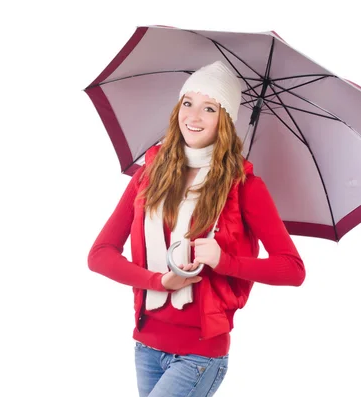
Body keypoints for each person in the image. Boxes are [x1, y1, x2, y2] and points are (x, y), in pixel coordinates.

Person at [88, 61, 305, 397]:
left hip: (199, 355)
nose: (194, 117)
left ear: (226, 120)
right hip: (146, 347)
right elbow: (99, 255)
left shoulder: (244, 187)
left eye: (209, 108)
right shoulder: (148, 176)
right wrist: (159, 281)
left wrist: (225, 261)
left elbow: (293, 269)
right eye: (188, 103)